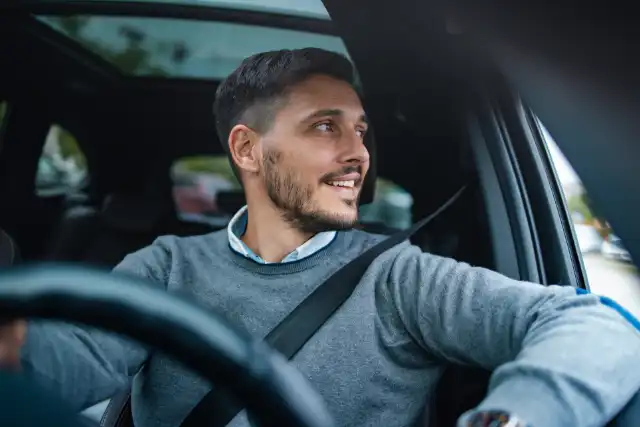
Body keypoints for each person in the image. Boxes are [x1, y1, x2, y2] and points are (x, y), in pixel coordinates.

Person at [1, 47, 640, 427]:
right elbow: (68, 358)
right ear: (247, 149)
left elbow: (596, 325)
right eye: (325, 127)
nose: (359, 152)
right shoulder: (165, 266)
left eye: (361, 130)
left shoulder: (401, 276)